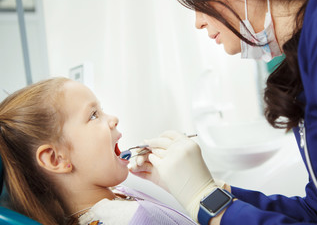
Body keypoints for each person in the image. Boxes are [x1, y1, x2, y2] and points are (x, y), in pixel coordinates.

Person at [129, 0, 317, 224]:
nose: (197, 23)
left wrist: (206, 201)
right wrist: (209, 189)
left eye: (200, 0)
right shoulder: (308, 52)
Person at [0, 77, 197, 225]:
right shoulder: (129, 219)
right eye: (93, 115)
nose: (113, 118)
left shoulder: (117, 195)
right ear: (56, 159)